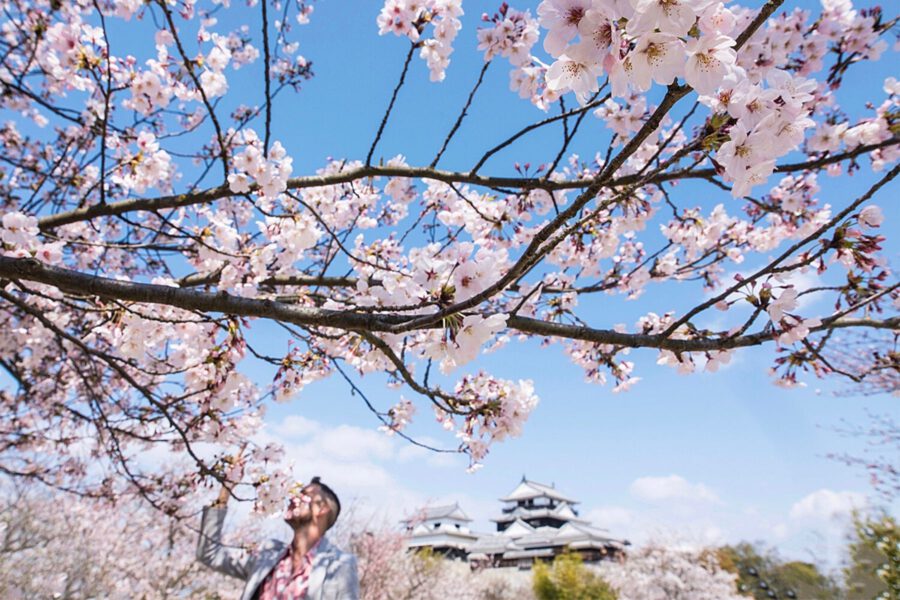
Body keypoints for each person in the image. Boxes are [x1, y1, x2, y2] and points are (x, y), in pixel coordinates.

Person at [197, 475, 359, 599]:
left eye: (303, 494)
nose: (293, 497)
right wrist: (223, 496)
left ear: (322, 509)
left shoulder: (340, 564)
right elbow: (210, 554)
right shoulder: (266, 554)